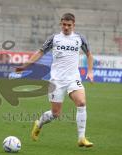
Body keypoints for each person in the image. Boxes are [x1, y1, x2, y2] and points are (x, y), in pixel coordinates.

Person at [16, 13, 94, 147]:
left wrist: (90, 71)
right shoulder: (54, 38)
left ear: (73, 25)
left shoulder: (79, 38)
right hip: (56, 80)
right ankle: (39, 123)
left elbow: (89, 54)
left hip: (73, 78)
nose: (66, 27)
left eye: (69, 25)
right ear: (60, 24)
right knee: (55, 113)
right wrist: (25, 66)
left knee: (81, 103)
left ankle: (81, 138)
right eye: (64, 24)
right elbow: (40, 52)